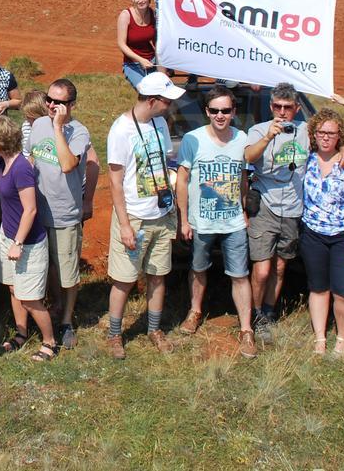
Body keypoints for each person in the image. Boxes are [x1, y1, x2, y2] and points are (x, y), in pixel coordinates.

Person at [105, 71, 184, 359]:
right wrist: (125, 225)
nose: (170, 106)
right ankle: (115, 334)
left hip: (162, 214)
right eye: (166, 101)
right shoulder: (121, 130)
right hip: (135, 218)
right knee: (124, 280)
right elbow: (115, 181)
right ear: (152, 100)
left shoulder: (160, 122)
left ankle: (153, 329)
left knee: (158, 276)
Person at [176, 86, 258, 359]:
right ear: (207, 112)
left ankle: (246, 329)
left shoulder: (242, 138)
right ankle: (195, 311)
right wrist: (184, 219)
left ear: (234, 112)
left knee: (240, 274)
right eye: (214, 110)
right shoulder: (192, 139)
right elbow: (183, 180)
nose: (220, 116)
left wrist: (244, 209)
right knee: (198, 268)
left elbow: (244, 177)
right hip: (202, 221)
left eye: (225, 110)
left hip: (233, 221)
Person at [0, 116, 58, 363]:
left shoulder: (21, 168)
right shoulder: (3, 161)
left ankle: (50, 342)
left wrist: (18, 244)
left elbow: (30, 210)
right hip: (8, 236)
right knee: (13, 288)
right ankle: (21, 333)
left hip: (26, 243)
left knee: (30, 298)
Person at [243, 83, 318, 342]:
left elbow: (334, 140)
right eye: (277, 106)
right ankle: (253, 315)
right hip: (265, 204)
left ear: (297, 109)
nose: (283, 112)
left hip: (294, 207)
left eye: (288, 107)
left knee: (281, 266)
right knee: (262, 269)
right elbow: (249, 157)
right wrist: (268, 137)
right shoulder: (258, 130)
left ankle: (268, 312)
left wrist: (343, 149)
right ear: (270, 106)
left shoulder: (307, 131)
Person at [25, 79, 91, 350]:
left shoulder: (79, 133)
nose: (51, 105)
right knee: (46, 267)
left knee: (67, 272)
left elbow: (66, 165)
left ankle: (66, 321)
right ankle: (54, 307)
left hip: (65, 214)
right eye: (49, 100)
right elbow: (30, 159)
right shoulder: (38, 125)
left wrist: (57, 128)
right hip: (38, 211)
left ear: (71, 105)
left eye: (58, 102)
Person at [300, 109, 344, 355]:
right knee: (318, 288)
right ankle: (319, 339)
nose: (326, 137)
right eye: (321, 132)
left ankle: (341, 339)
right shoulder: (307, 159)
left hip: (343, 235)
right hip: (313, 233)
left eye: (331, 133)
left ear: (340, 136)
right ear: (314, 135)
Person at [116, 0, 160, 88]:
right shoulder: (125, 15)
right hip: (132, 64)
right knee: (144, 92)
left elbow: (157, 42)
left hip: (151, 62)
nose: (140, 0)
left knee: (158, 94)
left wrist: (162, 62)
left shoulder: (153, 14)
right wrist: (140, 60)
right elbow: (121, 44)